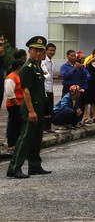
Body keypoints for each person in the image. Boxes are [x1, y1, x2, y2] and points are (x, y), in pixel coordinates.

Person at [6, 36, 52, 179]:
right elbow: (25, 90)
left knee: (36, 138)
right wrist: (31, 110)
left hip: (39, 108)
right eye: (35, 50)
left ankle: (34, 165)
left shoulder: (37, 67)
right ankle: (14, 168)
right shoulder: (27, 68)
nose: (38, 53)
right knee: (25, 138)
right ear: (29, 51)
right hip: (31, 109)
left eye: (40, 50)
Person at [4, 60, 25, 149]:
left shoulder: (18, 76)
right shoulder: (11, 78)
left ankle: (17, 142)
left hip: (20, 104)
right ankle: (12, 143)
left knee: (19, 124)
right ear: (19, 67)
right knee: (14, 124)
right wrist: (18, 105)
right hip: (14, 105)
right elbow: (10, 94)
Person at [41, 42, 57, 133]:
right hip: (44, 88)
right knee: (45, 108)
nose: (52, 52)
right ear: (46, 51)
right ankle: (44, 127)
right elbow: (45, 74)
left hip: (50, 87)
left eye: (53, 51)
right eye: (50, 50)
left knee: (50, 107)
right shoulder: (43, 61)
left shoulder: (52, 61)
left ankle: (48, 126)